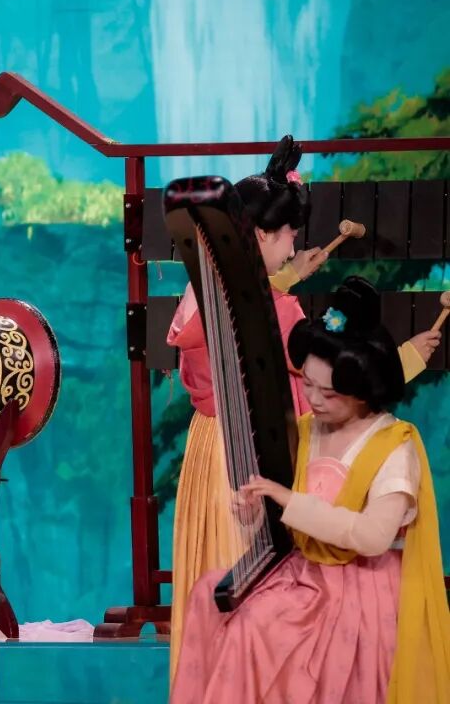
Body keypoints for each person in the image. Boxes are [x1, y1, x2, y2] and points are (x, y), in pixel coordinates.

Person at [166, 135, 440, 681]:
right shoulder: (278, 311)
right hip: (245, 449)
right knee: (249, 590)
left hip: (209, 444)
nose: (295, 246)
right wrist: (408, 357)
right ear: (260, 234)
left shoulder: (205, 291)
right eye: (289, 234)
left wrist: (286, 278)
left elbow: (247, 308)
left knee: (214, 578)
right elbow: (333, 371)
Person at [171, 276, 450, 703]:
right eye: (308, 385)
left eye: (329, 393)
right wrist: (254, 511)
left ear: (364, 390)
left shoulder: (394, 446)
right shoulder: (306, 430)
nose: (315, 400)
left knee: (256, 627)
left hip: (359, 588)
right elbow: (288, 521)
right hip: (305, 575)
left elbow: (373, 537)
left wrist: (288, 500)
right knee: (212, 599)